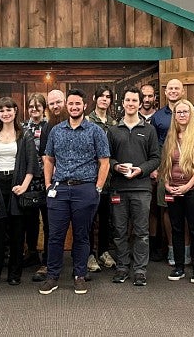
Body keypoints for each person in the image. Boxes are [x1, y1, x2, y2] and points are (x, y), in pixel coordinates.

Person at [39, 89, 110, 295]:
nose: (74, 107)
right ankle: (52, 276)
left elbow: (104, 162)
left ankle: (79, 275)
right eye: (71, 104)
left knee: (81, 236)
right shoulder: (56, 131)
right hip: (59, 189)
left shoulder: (95, 131)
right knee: (55, 236)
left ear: (84, 105)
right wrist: (47, 185)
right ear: (66, 106)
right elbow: (49, 159)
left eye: (78, 104)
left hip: (85, 189)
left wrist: (97, 187)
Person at [107, 87, 160, 286]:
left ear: (139, 103)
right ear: (123, 103)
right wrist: (115, 166)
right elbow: (107, 158)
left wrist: (141, 170)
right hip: (118, 188)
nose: (130, 103)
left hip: (141, 188)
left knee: (141, 232)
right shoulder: (113, 130)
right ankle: (122, 267)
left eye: (134, 100)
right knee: (119, 232)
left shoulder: (149, 130)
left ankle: (139, 270)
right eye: (127, 100)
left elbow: (156, 158)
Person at [0, 97, 37, 286]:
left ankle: (15, 273)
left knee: (17, 232)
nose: (5, 114)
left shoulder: (25, 135)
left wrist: (24, 185)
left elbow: (32, 164)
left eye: (9, 110)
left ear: (15, 111)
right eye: (1, 111)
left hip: (18, 185)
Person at [161, 99, 194, 284]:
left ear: (191, 114)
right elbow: (166, 163)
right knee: (176, 228)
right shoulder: (171, 136)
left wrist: (188, 186)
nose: (181, 115)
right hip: (173, 189)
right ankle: (179, 267)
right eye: (178, 112)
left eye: (185, 112)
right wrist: (167, 183)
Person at [31, 89, 66, 282]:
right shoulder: (47, 128)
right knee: (50, 226)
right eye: (51, 104)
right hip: (53, 184)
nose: (55, 106)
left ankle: (80, 264)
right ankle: (48, 263)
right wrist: (49, 182)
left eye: (58, 102)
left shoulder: (80, 123)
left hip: (75, 183)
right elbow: (46, 156)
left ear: (65, 102)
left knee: (79, 227)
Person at [85, 85, 117, 271]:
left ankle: (104, 251)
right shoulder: (88, 121)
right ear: (95, 98)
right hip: (90, 176)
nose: (104, 99)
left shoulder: (114, 123)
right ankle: (89, 254)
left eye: (108, 97)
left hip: (110, 178)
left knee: (106, 217)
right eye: (101, 96)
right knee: (89, 218)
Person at [21, 93, 47, 268]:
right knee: (29, 220)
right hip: (28, 179)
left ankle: (48, 256)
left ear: (43, 108)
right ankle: (31, 252)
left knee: (48, 220)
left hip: (46, 178)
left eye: (38, 106)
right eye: (31, 106)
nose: (34, 109)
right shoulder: (22, 128)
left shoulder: (51, 127)